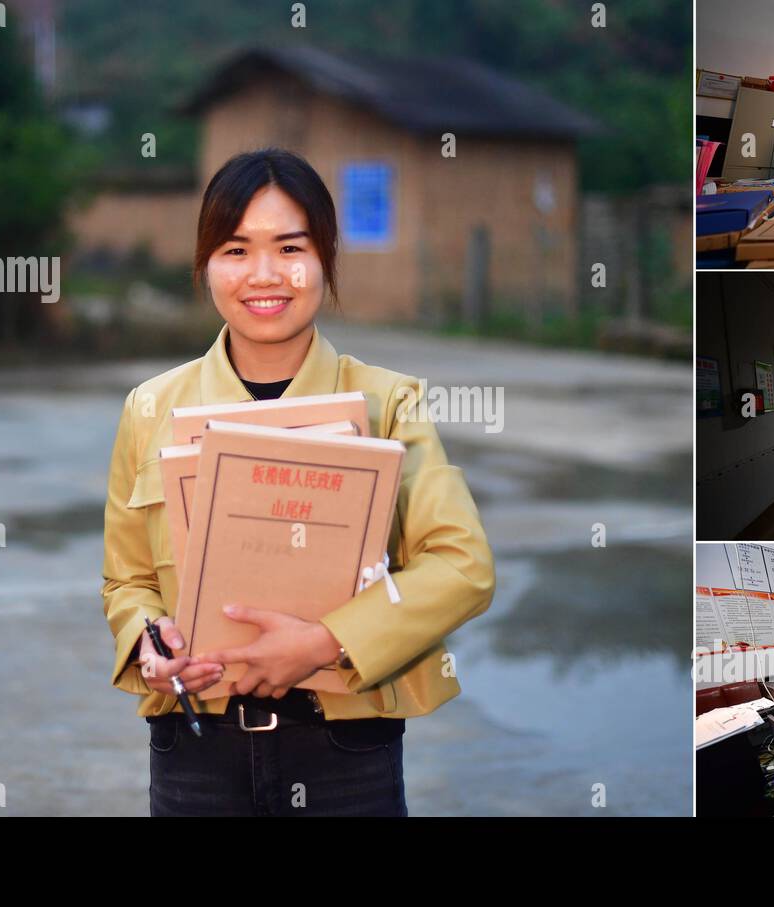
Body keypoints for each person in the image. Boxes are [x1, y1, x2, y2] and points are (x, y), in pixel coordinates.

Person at [101, 148, 496, 817]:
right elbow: (127, 581)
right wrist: (149, 642)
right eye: (234, 249)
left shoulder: (388, 403)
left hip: (343, 750)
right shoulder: (149, 408)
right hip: (194, 751)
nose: (263, 274)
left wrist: (322, 642)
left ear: (326, 256)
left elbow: (462, 567)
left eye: (289, 246)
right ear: (205, 263)